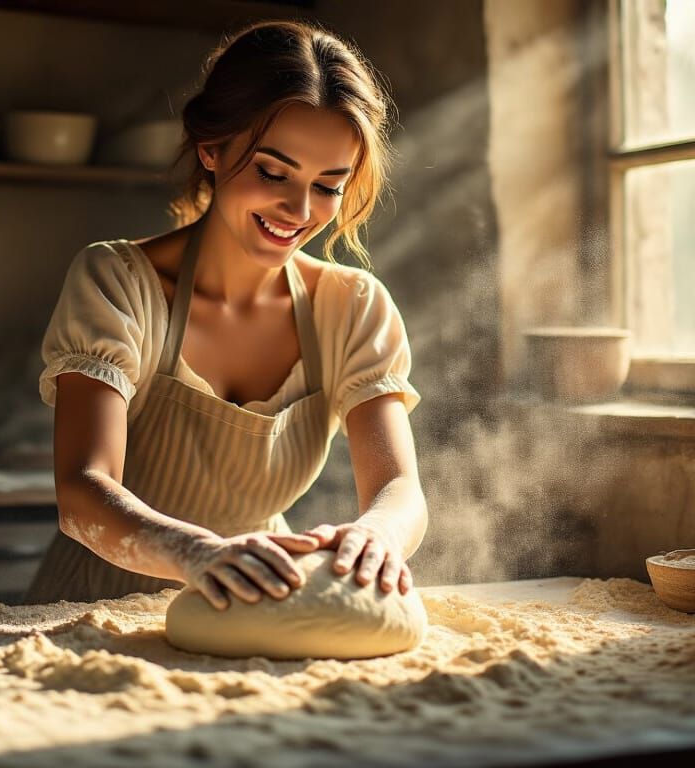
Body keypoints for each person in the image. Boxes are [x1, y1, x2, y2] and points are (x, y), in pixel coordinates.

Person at [23, 19, 427, 611]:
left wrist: (379, 534)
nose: (298, 209)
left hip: (249, 605)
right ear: (211, 148)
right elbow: (83, 489)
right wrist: (194, 552)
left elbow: (399, 488)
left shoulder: (353, 307)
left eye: (328, 186)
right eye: (273, 172)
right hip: (91, 611)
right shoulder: (117, 282)